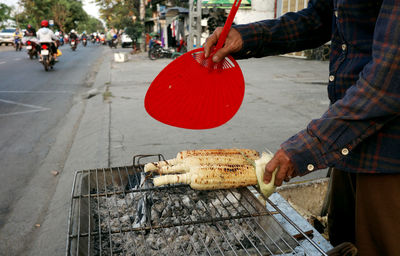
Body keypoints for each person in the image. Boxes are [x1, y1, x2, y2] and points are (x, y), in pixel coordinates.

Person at [204, 0, 400, 255]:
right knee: (344, 243)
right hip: (347, 144)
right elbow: (318, 19)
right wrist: (247, 37)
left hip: (390, 153)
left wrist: (309, 146)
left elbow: (389, 79)